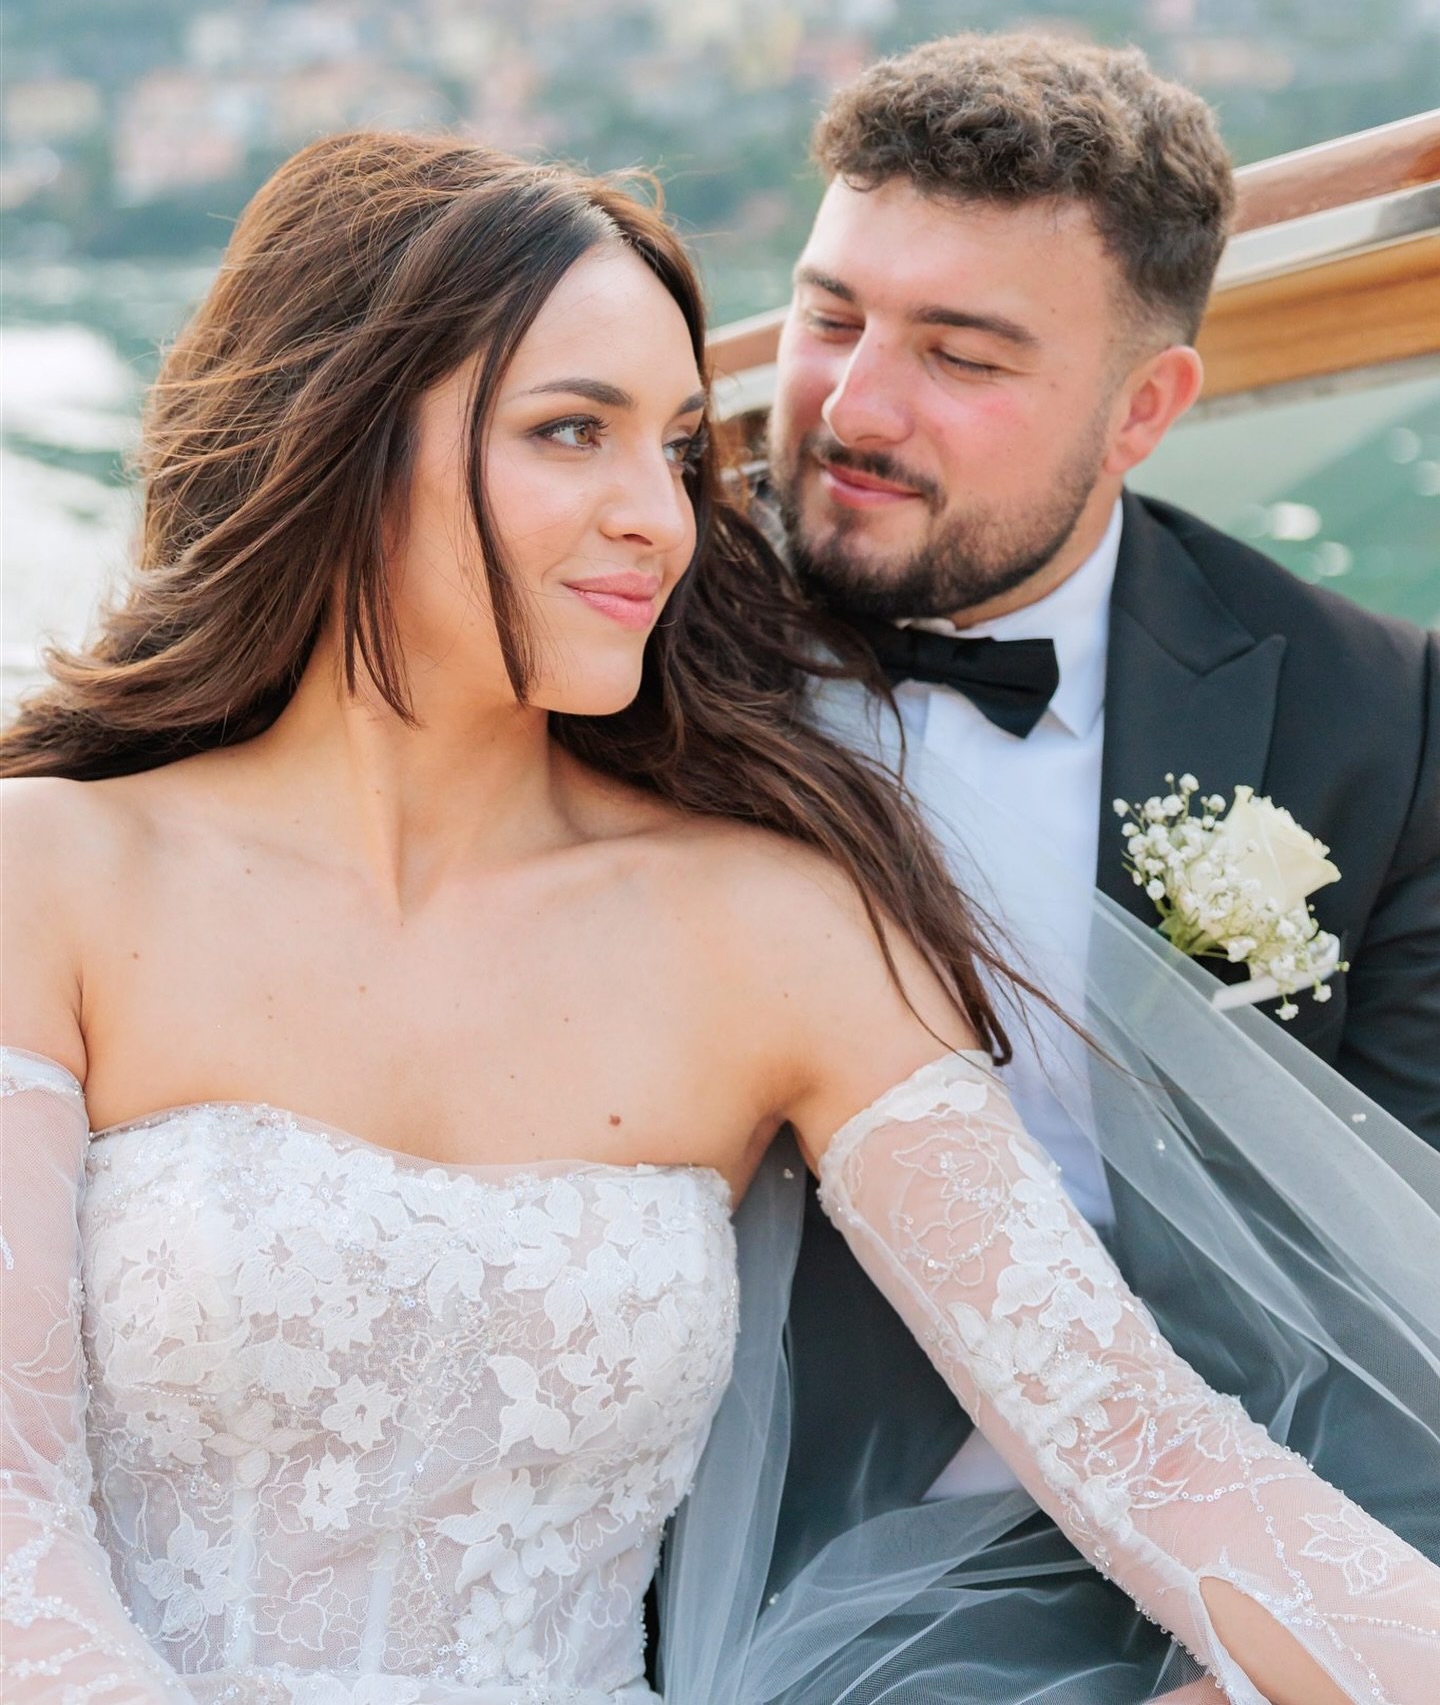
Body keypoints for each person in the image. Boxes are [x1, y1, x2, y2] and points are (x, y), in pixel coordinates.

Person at [1, 131, 1437, 1705]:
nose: (659, 520)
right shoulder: (50, 878)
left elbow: (1154, 1454)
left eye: (679, 451)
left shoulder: (779, 927)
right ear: (338, 444)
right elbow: (16, 1541)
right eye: (570, 433)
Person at [761, 30, 1440, 1694]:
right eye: (831, 312)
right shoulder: (608, 648)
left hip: (1235, 1500)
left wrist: (1306, 1637)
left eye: (964, 355)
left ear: (1146, 408)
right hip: (739, 1509)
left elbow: (1412, 1249)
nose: (853, 405)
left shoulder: (1381, 717)